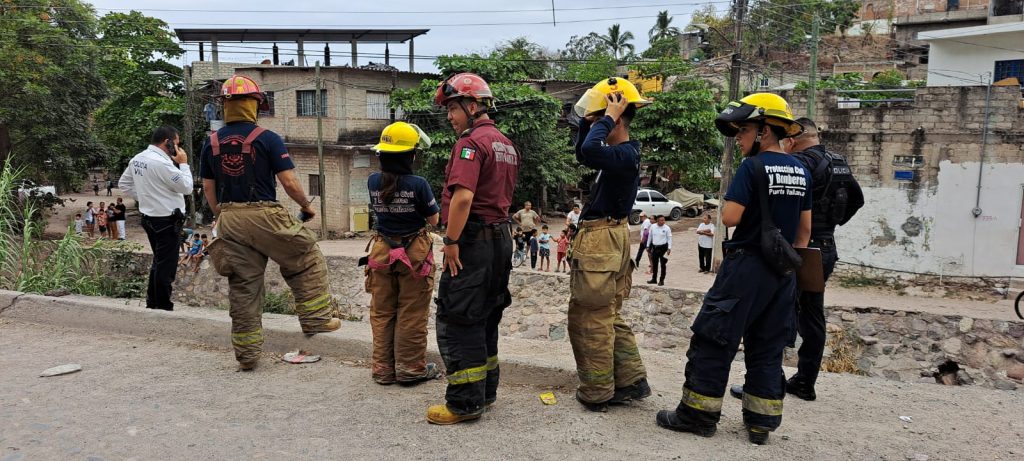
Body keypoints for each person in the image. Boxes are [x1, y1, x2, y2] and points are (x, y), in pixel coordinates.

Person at [655, 93, 811, 445]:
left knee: (714, 337)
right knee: (768, 346)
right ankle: (761, 423)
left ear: (764, 131)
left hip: (747, 265)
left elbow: (730, 217)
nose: (738, 138)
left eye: (743, 131)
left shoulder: (752, 167)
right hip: (783, 272)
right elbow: (803, 233)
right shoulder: (801, 169)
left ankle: (697, 416)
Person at [201, 75, 341, 371]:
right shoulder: (267, 138)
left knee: (243, 287)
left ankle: (247, 356)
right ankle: (315, 318)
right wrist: (305, 206)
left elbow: (208, 188)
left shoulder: (211, 143)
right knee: (305, 254)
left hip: (228, 219)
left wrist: (222, 216)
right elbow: (289, 182)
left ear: (224, 105)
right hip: (263, 214)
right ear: (255, 104)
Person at [731, 117, 863, 402]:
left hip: (795, 246)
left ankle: (768, 381)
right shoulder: (838, 161)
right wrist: (831, 225)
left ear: (793, 139)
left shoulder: (799, 164)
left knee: (776, 313)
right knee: (812, 313)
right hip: (825, 247)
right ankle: (805, 381)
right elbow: (857, 200)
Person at [427, 72, 518, 425]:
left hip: (473, 242)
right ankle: (485, 392)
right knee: (486, 316)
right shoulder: (505, 143)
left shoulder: (470, 144)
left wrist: (450, 241)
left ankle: (464, 404)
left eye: (453, 108)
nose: (449, 116)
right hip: (500, 240)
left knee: (458, 317)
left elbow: (463, 197)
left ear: (473, 104)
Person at [567, 77, 651, 412]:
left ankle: (597, 390)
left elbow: (589, 150)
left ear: (615, 118)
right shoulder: (619, 154)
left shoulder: (624, 153)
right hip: (610, 238)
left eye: (597, 120)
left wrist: (607, 117)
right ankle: (631, 380)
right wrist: (587, 122)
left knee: (590, 318)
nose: (592, 127)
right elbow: (583, 152)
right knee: (607, 314)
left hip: (602, 238)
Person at [363, 121, 441, 386]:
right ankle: (410, 368)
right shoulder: (418, 184)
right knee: (411, 311)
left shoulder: (373, 180)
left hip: (382, 250)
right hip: (414, 253)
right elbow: (434, 220)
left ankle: (383, 369)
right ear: (411, 155)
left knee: (382, 311)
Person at [118, 125, 193, 311]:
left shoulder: (138, 159)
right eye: (176, 143)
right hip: (166, 221)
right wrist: (183, 163)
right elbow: (187, 187)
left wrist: (145, 197)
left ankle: (152, 302)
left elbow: (124, 183)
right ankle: (162, 305)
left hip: (150, 218)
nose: (178, 148)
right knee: (166, 266)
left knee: (159, 261)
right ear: (167, 142)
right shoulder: (162, 163)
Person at [647, 215, 672, 286]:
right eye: (661, 220)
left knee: (663, 265)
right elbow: (650, 236)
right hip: (655, 247)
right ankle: (654, 279)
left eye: (664, 220)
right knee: (655, 264)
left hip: (663, 248)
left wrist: (669, 248)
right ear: (657, 221)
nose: (663, 221)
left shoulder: (667, 228)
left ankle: (662, 280)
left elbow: (669, 238)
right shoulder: (653, 227)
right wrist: (648, 245)